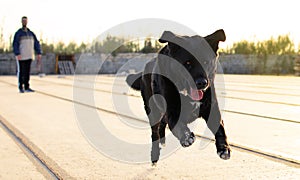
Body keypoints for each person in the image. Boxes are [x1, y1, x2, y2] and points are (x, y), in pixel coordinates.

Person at [13, 16, 42, 93]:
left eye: (25, 21)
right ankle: (20, 87)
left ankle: (27, 86)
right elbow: (15, 44)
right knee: (21, 71)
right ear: (21, 22)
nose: (24, 22)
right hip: (21, 56)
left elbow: (36, 43)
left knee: (27, 72)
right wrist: (17, 53)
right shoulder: (18, 33)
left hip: (29, 55)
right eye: (23, 21)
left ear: (27, 22)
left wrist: (39, 52)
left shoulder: (31, 33)